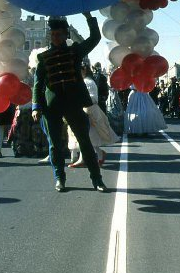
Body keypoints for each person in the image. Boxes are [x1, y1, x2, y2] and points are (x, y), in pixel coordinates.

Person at [32, 13, 108, 193]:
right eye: (53, 34)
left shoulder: (75, 51)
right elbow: (37, 85)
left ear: (66, 35)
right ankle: (59, 178)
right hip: (52, 107)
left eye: (59, 34)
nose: (55, 37)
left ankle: (97, 179)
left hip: (74, 105)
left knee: (84, 142)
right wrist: (36, 106)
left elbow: (95, 37)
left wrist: (89, 16)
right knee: (55, 144)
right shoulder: (43, 58)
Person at [68, 65, 118, 167]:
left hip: (89, 111)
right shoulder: (83, 82)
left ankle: (93, 156)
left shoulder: (88, 82)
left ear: (84, 71)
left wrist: (77, 101)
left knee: (89, 136)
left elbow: (93, 98)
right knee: (85, 136)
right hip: (85, 110)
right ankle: (93, 156)